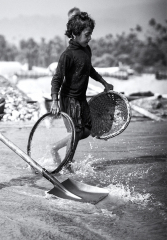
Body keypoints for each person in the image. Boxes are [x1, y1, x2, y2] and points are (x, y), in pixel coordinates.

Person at [50, 12, 114, 172]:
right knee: (75, 131)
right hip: (69, 98)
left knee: (87, 130)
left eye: (90, 34)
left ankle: (55, 148)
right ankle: (67, 165)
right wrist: (54, 100)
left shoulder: (86, 51)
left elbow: (89, 69)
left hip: (81, 98)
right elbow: (57, 79)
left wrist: (103, 82)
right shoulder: (67, 55)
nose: (90, 38)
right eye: (87, 34)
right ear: (75, 34)